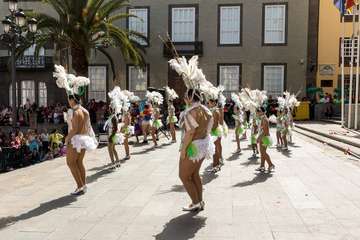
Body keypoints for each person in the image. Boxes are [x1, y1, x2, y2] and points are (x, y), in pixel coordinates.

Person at [54, 64, 98, 195]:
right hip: (84, 139)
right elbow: (87, 127)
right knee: (79, 162)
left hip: (75, 139)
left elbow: (74, 129)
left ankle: (79, 186)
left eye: (69, 98)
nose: (68, 100)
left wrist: (66, 139)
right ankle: (83, 185)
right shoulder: (84, 110)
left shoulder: (74, 111)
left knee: (70, 163)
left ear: (72, 99)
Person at [255, 107, 275, 173]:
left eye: (259, 111)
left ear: (263, 112)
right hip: (262, 137)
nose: (257, 112)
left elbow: (265, 131)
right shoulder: (262, 118)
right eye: (257, 111)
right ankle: (262, 166)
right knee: (262, 153)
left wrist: (259, 138)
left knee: (263, 152)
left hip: (265, 138)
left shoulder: (265, 119)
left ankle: (271, 164)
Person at [208, 98, 222, 172]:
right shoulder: (213, 110)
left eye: (209, 103)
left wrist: (209, 130)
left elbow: (216, 124)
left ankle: (215, 166)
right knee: (215, 149)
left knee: (214, 150)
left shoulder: (215, 111)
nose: (208, 104)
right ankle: (217, 165)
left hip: (214, 132)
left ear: (213, 103)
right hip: (213, 131)